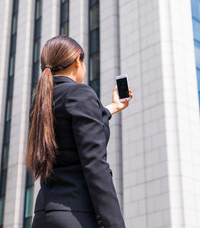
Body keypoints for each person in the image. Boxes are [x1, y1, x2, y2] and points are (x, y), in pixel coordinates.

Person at [26, 35, 132, 228]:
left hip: (43, 216)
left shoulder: (41, 102)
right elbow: (95, 166)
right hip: (76, 216)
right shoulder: (80, 93)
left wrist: (113, 107)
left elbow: (72, 130)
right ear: (78, 61)